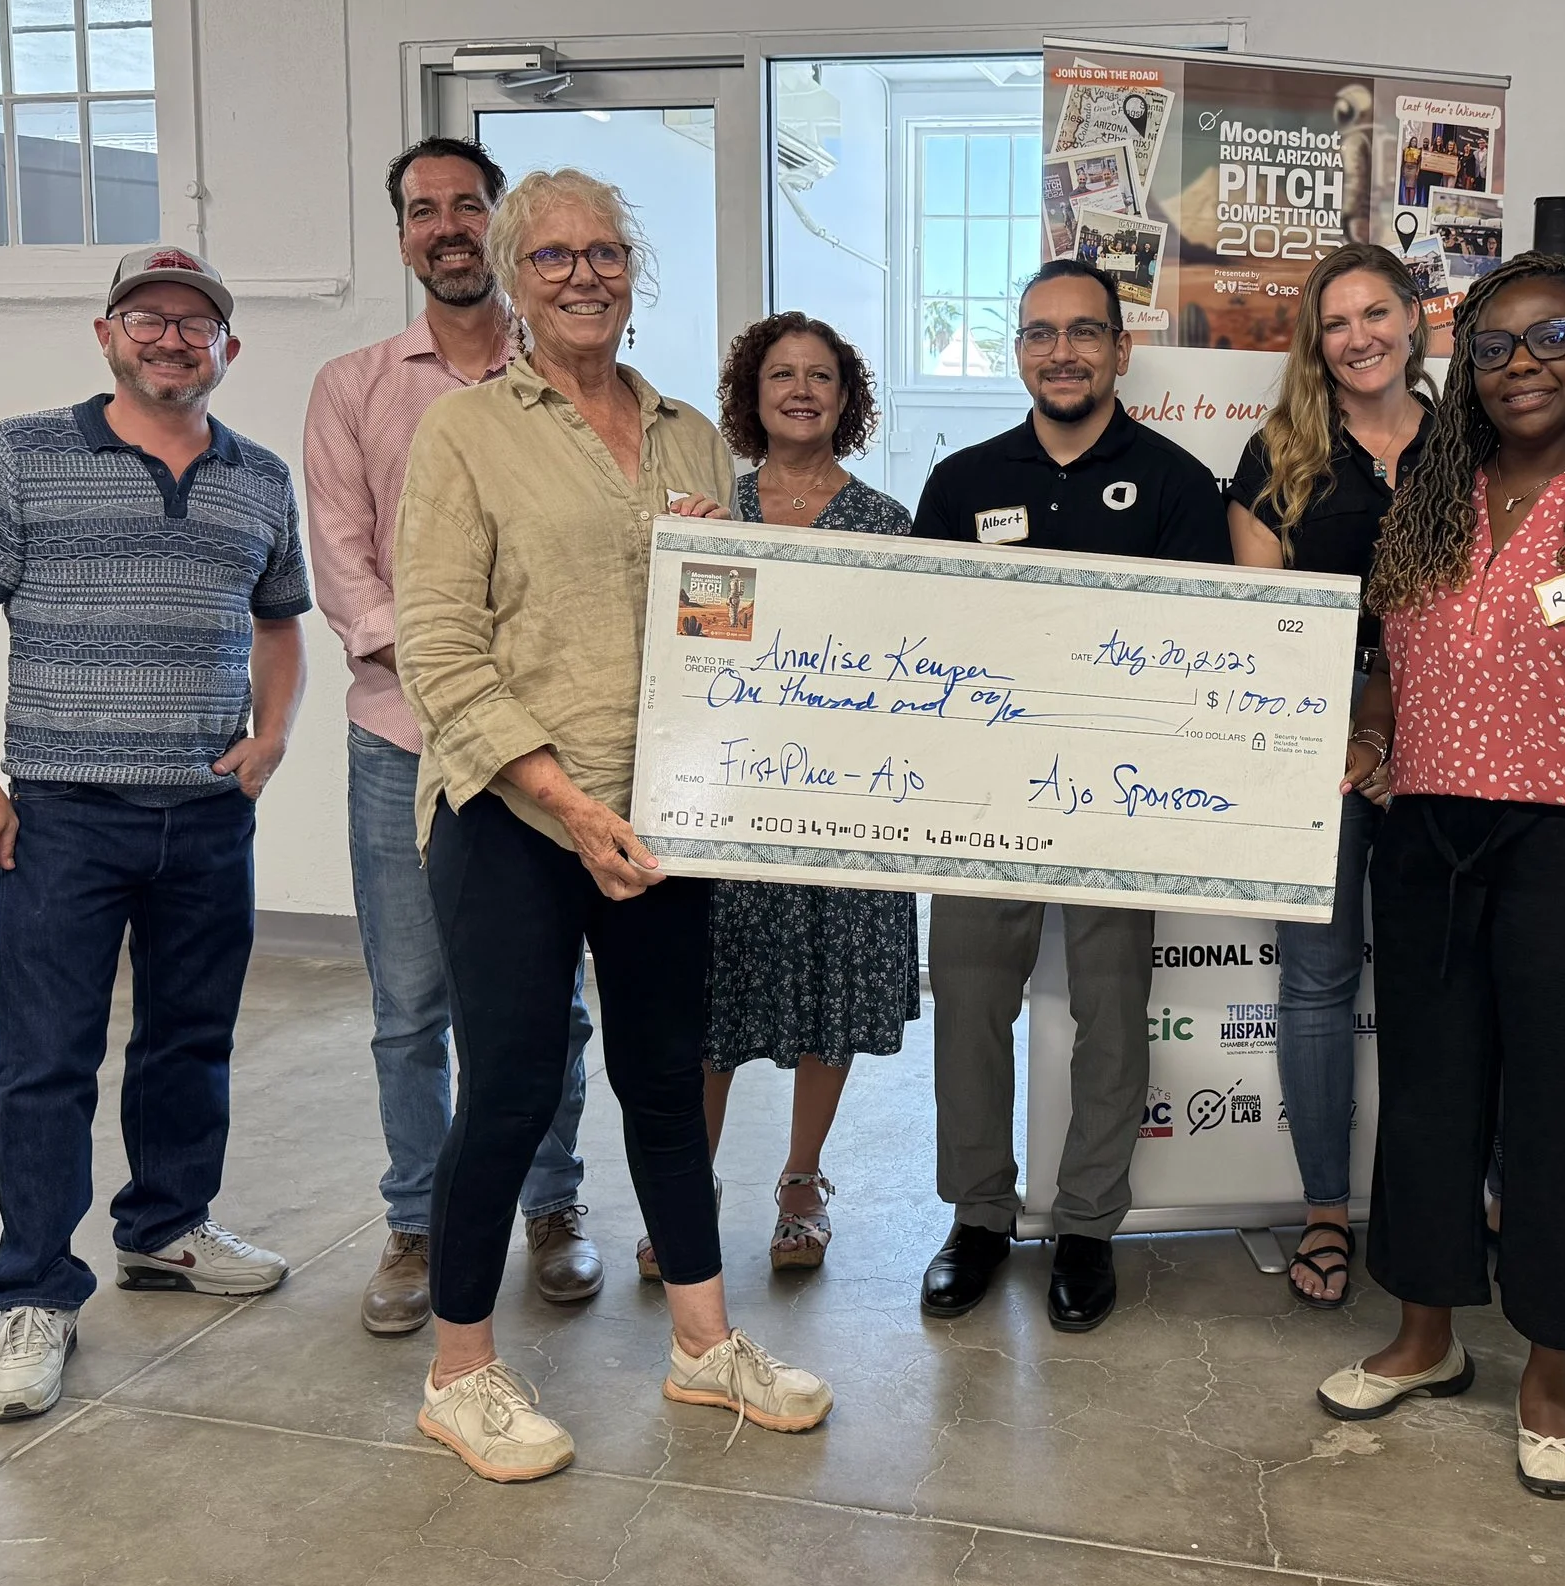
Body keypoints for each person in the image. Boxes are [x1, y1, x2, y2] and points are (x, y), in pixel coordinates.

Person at [395, 169, 831, 1481]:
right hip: (513, 816)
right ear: (515, 277)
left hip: (665, 820)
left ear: (633, 272)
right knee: (517, 1079)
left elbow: (728, 623)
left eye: (606, 253)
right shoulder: (465, 437)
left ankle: (703, 1343)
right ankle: (457, 1370)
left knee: (665, 1072)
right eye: (554, 256)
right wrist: (572, 805)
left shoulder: (696, 436)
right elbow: (440, 653)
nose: (583, 274)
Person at [1317, 254, 1565, 1500]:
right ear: (1466, 370)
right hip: (1430, 839)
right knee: (1433, 1096)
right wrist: (1373, 737)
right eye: (1492, 348)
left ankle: (1547, 1373)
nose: (1521, 366)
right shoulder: (1430, 503)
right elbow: (1389, 661)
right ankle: (1427, 1336)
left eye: (1550, 338)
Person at [0, 246, 311, 1423]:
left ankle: (165, 1228)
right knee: (46, 1061)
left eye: (196, 324)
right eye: (148, 318)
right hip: (62, 812)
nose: (171, 338)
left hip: (205, 815)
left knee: (189, 1041)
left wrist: (273, 735)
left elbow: (281, 624)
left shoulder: (257, 477)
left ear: (226, 352)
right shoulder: (21, 454)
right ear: (107, 334)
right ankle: (35, 1294)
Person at [304, 136, 602, 1339]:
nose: (446, 226)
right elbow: (347, 570)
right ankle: (416, 1223)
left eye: (466, 205)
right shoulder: (356, 387)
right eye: (422, 210)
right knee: (411, 1004)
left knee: (548, 1006)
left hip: (550, 754)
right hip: (404, 743)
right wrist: (459, 682)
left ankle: (552, 1204)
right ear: (403, 237)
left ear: (502, 224)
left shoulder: (577, 379)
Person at [911, 258, 1231, 1333]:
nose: (1062, 351)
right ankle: (979, 1217)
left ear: (1119, 349)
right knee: (964, 1007)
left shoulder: (1181, 484)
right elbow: (923, 643)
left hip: (1116, 802)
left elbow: (1199, 653)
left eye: (1083, 332)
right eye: (1041, 333)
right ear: (1017, 351)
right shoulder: (961, 482)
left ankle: (1090, 1226)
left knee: (1111, 1021)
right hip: (983, 802)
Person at [631, 312, 918, 1283]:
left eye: (822, 377)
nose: (802, 390)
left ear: (847, 398)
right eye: (782, 376)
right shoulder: (714, 513)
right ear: (751, 399)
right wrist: (690, 558)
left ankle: (802, 1183)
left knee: (829, 998)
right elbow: (700, 661)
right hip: (728, 803)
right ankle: (688, 1191)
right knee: (710, 1007)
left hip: (842, 798)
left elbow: (906, 667)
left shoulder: (886, 524)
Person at [1225, 244, 1434, 1308]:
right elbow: (1266, 630)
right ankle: (1321, 1210)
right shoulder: (1281, 453)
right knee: (1315, 984)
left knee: (1440, 982)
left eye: (1375, 314)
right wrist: (1350, 733)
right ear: (1317, 342)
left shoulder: (1469, 446)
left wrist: (1392, 726)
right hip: (1309, 746)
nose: (1358, 338)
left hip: (1448, 742)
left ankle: (1446, 1192)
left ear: (1411, 317)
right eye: (1336, 322)